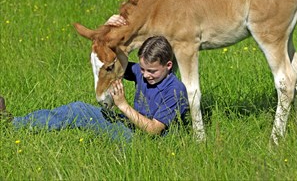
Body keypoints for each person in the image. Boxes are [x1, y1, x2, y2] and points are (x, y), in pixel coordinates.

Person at [0, 15, 189, 142]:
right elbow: (116, 62)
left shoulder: (175, 90)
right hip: (128, 123)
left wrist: (123, 105)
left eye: (152, 71)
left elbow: (153, 130)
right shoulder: (145, 73)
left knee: (115, 137)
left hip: (141, 139)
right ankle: (14, 123)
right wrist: (111, 26)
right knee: (77, 109)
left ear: (168, 66)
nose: (145, 75)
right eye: (143, 69)